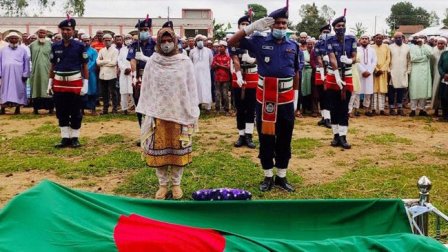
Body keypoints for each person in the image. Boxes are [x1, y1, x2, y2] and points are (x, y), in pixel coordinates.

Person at [228, 6, 300, 192]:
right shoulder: (259, 42)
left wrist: (296, 99)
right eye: (277, 23)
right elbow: (231, 42)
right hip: (265, 100)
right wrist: (251, 27)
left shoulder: (294, 45)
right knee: (266, 138)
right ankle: (268, 176)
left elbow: (297, 73)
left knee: (285, 138)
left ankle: (282, 176)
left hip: (285, 100)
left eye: (284, 24)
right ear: (270, 25)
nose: (281, 27)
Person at [136, 26, 199, 200]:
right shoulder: (153, 61)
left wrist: (193, 110)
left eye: (169, 41)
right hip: (158, 113)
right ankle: (163, 185)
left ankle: (177, 184)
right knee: (159, 151)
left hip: (180, 113)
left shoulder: (184, 61)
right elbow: (147, 87)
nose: (166, 44)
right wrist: (148, 110)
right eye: (162, 41)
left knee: (178, 150)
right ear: (157, 42)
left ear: (175, 42)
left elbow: (191, 87)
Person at [48, 17, 89, 148]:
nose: (65, 32)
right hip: (59, 83)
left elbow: (85, 66)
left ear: (73, 31)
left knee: (76, 111)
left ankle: (75, 137)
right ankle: (65, 137)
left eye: (68, 29)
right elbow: (52, 66)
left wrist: (85, 83)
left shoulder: (80, 46)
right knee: (61, 110)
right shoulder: (55, 46)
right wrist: (50, 82)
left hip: (75, 83)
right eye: (63, 29)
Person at [326, 15, 357, 149]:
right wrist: (337, 76)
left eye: (342, 26)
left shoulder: (351, 39)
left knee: (344, 107)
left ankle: (343, 136)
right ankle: (335, 135)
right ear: (334, 28)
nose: (341, 28)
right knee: (334, 107)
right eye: (338, 26)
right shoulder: (329, 40)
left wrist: (350, 60)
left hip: (347, 76)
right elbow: (332, 59)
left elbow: (355, 56)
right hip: (334, 77)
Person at [230, 15, 258, 149]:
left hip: (252, 77)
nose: (245, 26)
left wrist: (253, 60)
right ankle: (241, 135)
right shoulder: (234, 40)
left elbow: (261, 57)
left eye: (247, 23)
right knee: (240, 108)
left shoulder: (255, 40)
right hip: (239, 77)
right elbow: (235, 59)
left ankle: (249, 134)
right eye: (242, 24)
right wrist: (239, 75)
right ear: (238, 26)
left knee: (251, 107)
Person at [127, 16, 156, 127]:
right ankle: (143, 131)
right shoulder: (134, 45)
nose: (143, 32)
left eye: (145, 30)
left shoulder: (155, 45)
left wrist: (144, 58)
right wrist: (134, 76)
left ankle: (153, 131)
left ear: (150, 30)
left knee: (153, 103)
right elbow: (132, 61)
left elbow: (157, 61)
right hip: (140, 76)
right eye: (141, 30)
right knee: (139, 103)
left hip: (153, 76)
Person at [0, 32, 30, 114]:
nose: (13, 40)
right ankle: (2, 109)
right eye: (12, 38)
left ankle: (17, 109)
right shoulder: (3, 50)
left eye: (15, 38)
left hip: (18, 75)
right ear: (8, 39)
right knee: (4, 90)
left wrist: (25, 74)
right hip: (5, 74)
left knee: (18, 90)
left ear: (18, 40)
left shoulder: (23, 50)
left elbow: (26, 62)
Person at [29, 26, 54, 115]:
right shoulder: (32, 45)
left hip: (48, 70)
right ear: (37, 33)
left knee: (48, 89)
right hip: (36, 71)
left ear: (46, 34)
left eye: (43, 32)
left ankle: (50, 109)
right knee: (36, 89)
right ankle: (36, 109)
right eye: (40, 32)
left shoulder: (50, 44)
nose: (42, 34)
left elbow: (53, 58)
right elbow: (30, 58)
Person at [409, 36, 433, 116]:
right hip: (415, 71)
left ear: (425, 40)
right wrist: (424, 58)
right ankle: (413, 109)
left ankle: (422, 109)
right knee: (414, 90)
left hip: (425, 72)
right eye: (419, 38)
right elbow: (413, 58)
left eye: (422, 38)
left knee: (423, 91)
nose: (420, 40)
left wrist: (423, 45)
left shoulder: (428, 47)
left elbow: (430, 54)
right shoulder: (412, 48)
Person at [389, 32, 411, 116]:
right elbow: (388, 59)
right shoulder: (390, 47)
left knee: (401, 91)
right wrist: (389, 71)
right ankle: (391, 108)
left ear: (403, 38)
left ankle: (400, 108)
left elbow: (409, 60)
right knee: (391, 90)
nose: (398, 39)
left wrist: (408, 71)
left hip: (403, 72)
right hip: (392, 71)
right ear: (394, 39)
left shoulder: (407, 47)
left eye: (400, 37)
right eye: (396, 38)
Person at [189, 34, 214, 112]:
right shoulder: (192, 51)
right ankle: (197, 106)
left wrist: (205, 69)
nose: (200, 41)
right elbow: (190, 62)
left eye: (201, 40)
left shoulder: (208, 51)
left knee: (206, 88)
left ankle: (208, 107)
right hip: (195, 74)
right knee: (196, 88)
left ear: (204, 41)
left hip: (206, 73)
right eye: (198, 40)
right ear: (195, 42)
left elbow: (211, 61)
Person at [354, 34, 377, 116]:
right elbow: (356, 61)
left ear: (369, 40)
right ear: (360, 40)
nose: (364, 40)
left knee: (368, 92)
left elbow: (374, 62)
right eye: (362, 39)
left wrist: (369, 71)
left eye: (366, 39)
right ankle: (356, 109)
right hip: (359, 73)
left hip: (369, 74)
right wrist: (363, 71)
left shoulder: (372, 50)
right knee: (357, 91)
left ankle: (367, 109)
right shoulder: (356, 50)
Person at [314, 24, 332, 128]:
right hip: (320, 72)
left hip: (330, 71)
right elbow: (318, 59)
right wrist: (322, 74)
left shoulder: (333, 42)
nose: (326, 34)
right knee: (321, 95)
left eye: (328, 32)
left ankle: (328, 118)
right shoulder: (318, 44)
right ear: (321, 33)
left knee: (328, 96)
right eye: (324, 32)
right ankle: (324, 117)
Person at [97, 33, 118, 114]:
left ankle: (115, 109)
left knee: (113, 92)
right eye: (105, 40)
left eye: (109, 40)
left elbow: (114, 63)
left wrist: (103, 62)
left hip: (112, 74)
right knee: (104, 93)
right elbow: (97, 62)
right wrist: (107, 61)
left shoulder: (115, 50)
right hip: (102, 74)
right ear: (103, 41)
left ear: (111, 40)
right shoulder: (102, 50)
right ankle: (105, 109)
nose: (107, 42)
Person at [371, 34, 391, 115]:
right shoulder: (371, 47)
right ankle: (373, 109)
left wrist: (382, 69)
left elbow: (388, 59)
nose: (379, 39)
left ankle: (382, 109)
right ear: (374, 39)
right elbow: (371, 60)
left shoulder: (386, 47)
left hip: (383, 72)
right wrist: (376, 69)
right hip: (374, 72)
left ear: (383, 39)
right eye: (377, 38)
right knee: (374, 90)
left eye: (380, 38)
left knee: (382, 90)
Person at [81, 34, 99, 115]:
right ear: (82, 41)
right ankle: (82, 110)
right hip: (81, 73)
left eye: (88, 41)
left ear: (90, 41)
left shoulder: (94, 51)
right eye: (84, 41)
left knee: (93, 91)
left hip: (91, 74)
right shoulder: (79, 50)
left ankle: (93, 109)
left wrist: (87, 69)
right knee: (82, 91)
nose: (86, 42)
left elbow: (94, 61)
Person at [211, 40, 231, 113]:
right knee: (217, 94)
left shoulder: (228, 57)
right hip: (217, 78)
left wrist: (219, 65)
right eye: (219, 47)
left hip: (226, 78)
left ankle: (226, 109)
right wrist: (222, 66)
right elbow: (213, 66)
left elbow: (229, 67)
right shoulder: (216, 57)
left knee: (225, 94)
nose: (219, 48)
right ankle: (217, 109)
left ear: (225, 48)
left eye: (221, 47)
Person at [117, 34, 134, 114]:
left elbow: (136, 60)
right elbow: (119, 60)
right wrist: (124, 68)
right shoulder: (122, 50)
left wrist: (131, 69)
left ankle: (135, 107)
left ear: (132, 39)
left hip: (132, 72)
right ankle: (125, 109)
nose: (128, 40)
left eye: (129, 38)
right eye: (126, 38)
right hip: (124, 73)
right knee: (123, 91)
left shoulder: (136, 48)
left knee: (133, 90)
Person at [431, 37, 447, 116]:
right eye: (439, 43)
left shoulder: (446, 51)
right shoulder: (433, 50)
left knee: (444, 93)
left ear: (445, 44)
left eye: (442, 43)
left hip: (445, 75)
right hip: (436, 74)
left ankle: (444, 111)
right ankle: (436, 109)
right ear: (436, 43)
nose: (440, 45)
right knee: (436, 92)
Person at [438, 47, 448, 121]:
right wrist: (443, 74)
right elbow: (439, 66)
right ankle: (444, 115)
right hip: (444, 79)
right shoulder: (444, 54)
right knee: (443, 97)